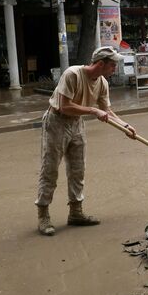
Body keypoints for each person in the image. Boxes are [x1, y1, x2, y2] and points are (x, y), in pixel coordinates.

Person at [35, 46, 137, 236]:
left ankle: (76, 212)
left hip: (76, 123)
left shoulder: (102, 83)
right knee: (50, 169)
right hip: (56, 121)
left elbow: (107, 111)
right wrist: (92, 110)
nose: (115, 69)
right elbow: (65, 106)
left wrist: (125, 126)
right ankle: (43, 215)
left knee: (78, 169)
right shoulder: (72, 74)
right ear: (100, 64)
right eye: (112, 65)